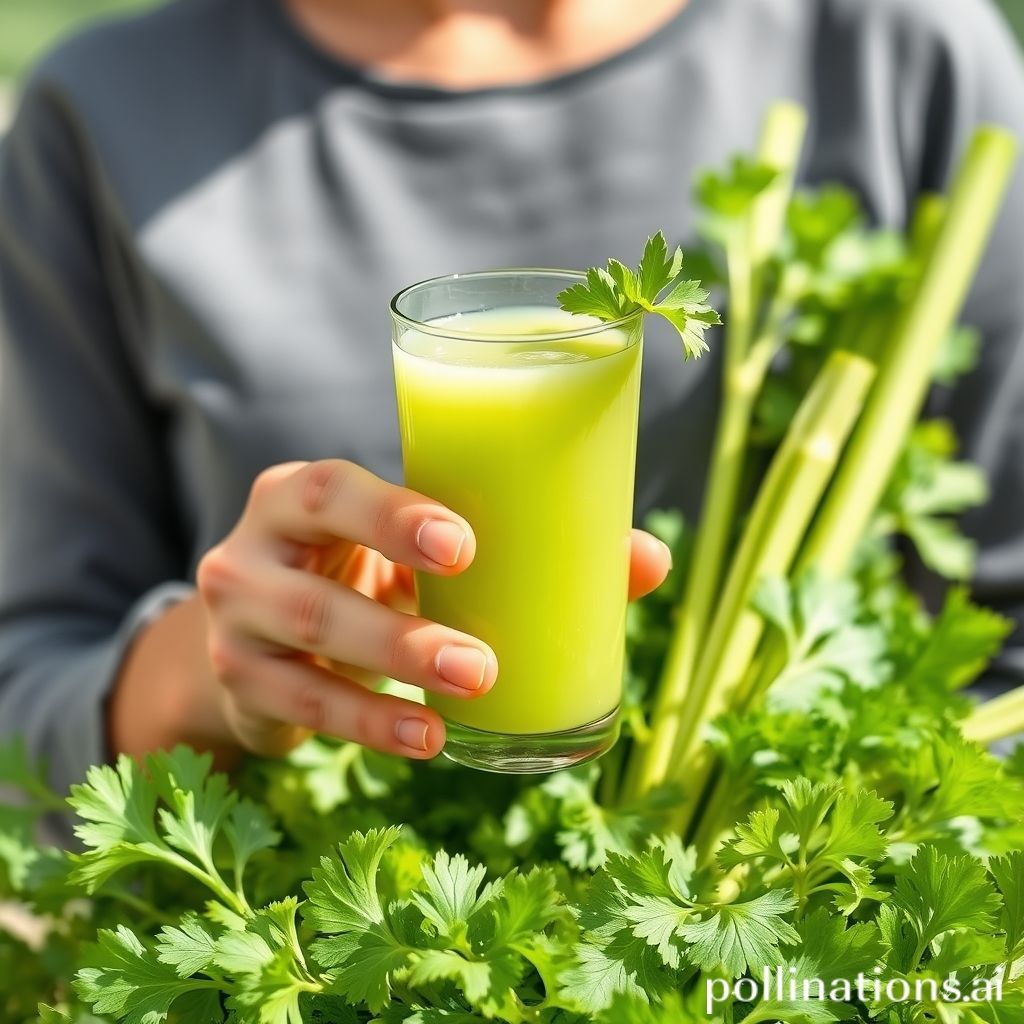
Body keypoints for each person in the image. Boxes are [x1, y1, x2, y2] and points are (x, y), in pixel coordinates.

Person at [1, 0, 1022, 800]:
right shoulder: (104, 109)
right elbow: (22, 704)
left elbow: (1005, 639)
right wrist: (207, 674)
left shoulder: (903, 53)